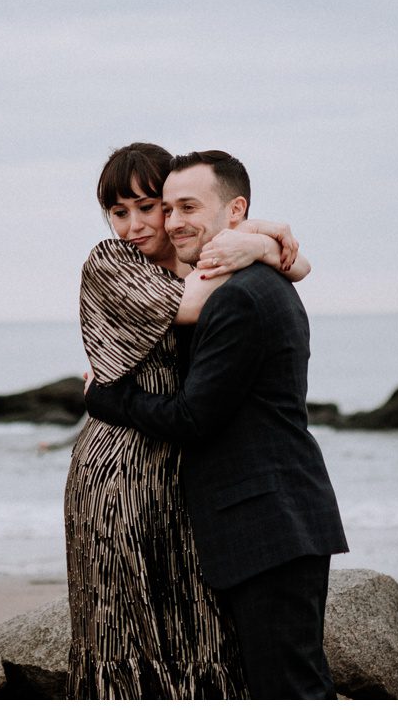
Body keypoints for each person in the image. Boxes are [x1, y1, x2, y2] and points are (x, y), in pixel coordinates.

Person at [84, 149, 349, 700]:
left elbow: (195, 412)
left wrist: (254, 241)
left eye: (153, 206)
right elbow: (203, 301)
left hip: (235, 501)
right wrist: (260, 241)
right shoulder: (116, 265)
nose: (141, 224)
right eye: (118, 211)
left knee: (270, 676)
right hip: (135, 481)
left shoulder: (226, 282)